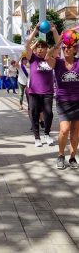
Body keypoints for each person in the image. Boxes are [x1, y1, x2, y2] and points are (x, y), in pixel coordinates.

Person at [46, 40, 79, 169]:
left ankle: (72, 157)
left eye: (69, 47)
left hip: (77, 101)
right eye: (64, 47)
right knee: (64, 130)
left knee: (75, 131)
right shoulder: (58, 63)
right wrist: (59, 43)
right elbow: (47, 57)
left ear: (75, 50)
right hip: (63, 101)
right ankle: (60, 156)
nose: (66, 49)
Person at [25, 23, 59, 147]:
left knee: (49, 113)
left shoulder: (50, 58)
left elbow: (58, 44)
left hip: (48, 92)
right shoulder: (32, 58)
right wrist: (35, 30)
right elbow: (27, 44)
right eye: (38, 47)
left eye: (42, 47)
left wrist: (54, 31)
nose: (40, 49)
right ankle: (37, 137)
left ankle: (47, 134)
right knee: (34, 114)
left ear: (46, 49)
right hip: (34, 92)